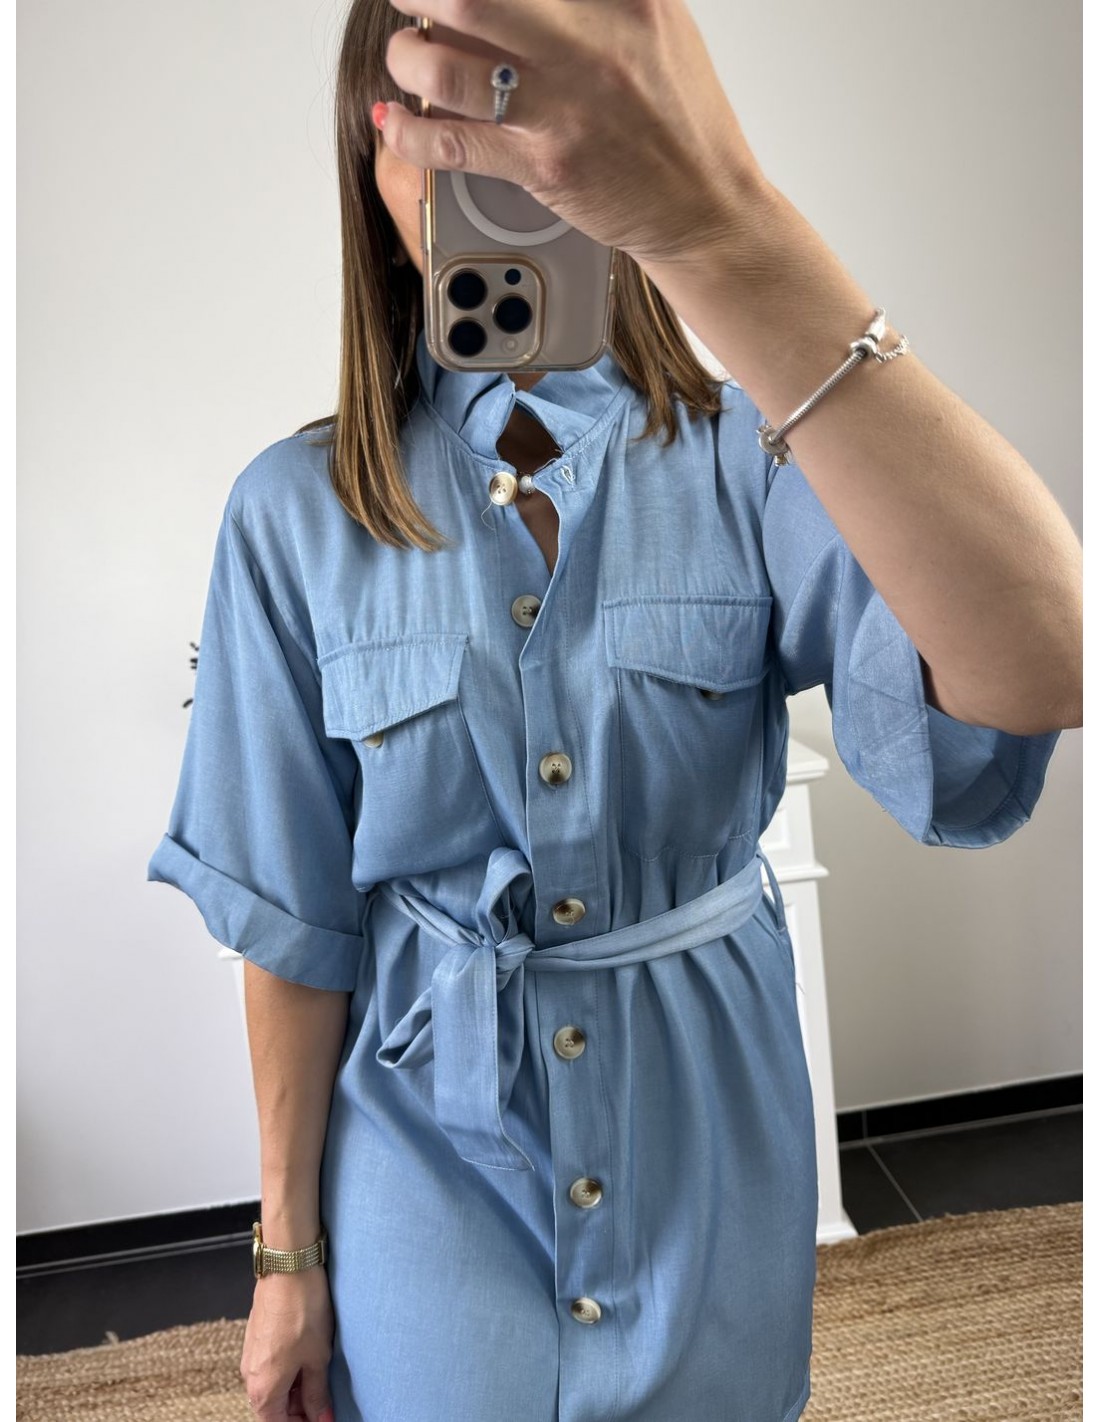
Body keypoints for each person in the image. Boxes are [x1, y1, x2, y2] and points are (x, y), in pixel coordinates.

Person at [146, 2, 1083, 1419]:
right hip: (423, 1152)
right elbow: (293, 924)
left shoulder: (759, 458)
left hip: (705, 1139)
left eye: (524, 104)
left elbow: (1043, 660)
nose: (487, 156)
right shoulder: (294, 514)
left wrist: (726, 224)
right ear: (369, 166)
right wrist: (288, 1257)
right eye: (434, 119)